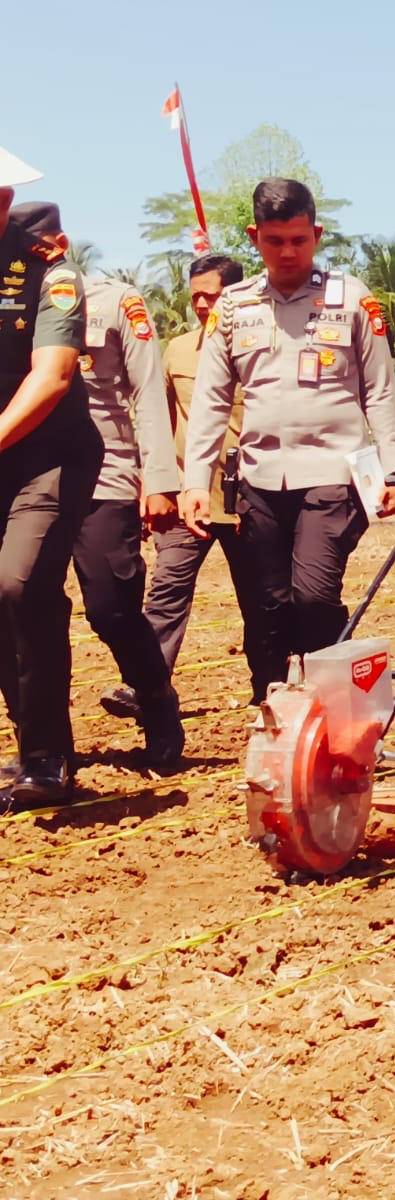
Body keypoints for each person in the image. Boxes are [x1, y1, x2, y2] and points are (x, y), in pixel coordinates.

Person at [181, 178, 395, 686]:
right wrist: (196, 482)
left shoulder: (351, 299)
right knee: (270, 605)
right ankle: (278, 710)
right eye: (274, 240)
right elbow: (211, 402)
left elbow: (380, 390)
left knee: (314, 594)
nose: (287, 252)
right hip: (259, 481)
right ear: (253, 236)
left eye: (299, 240)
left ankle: (337, 702)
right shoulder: (233, 307)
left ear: (317, 234)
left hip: (335, 474)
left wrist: (393, 470)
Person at [9, 203, 187, 771]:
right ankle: (41, 744)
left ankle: (156, 699)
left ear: (58, 242)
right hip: (27, 467)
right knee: (24, 597)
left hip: (104, 470)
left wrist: (159, 479)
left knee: (110, 607)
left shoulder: (111, 299)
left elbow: (148, 394)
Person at [0, 148, 105, 803]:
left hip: (48, 455)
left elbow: (53, 375)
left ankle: (47, 760)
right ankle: (31, 747)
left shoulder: (49, 271)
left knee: (17, 585)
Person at [130, 253, 272, 706]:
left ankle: (269, 694)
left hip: (249, 498)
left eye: (213, 295)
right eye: (197, 297)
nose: (204, 305)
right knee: (166, 592)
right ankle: (145, 687)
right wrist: (153, 483)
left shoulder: (264, 348)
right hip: (187, 497)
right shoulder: (176, 351)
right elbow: (159, 417)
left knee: (262, 603)